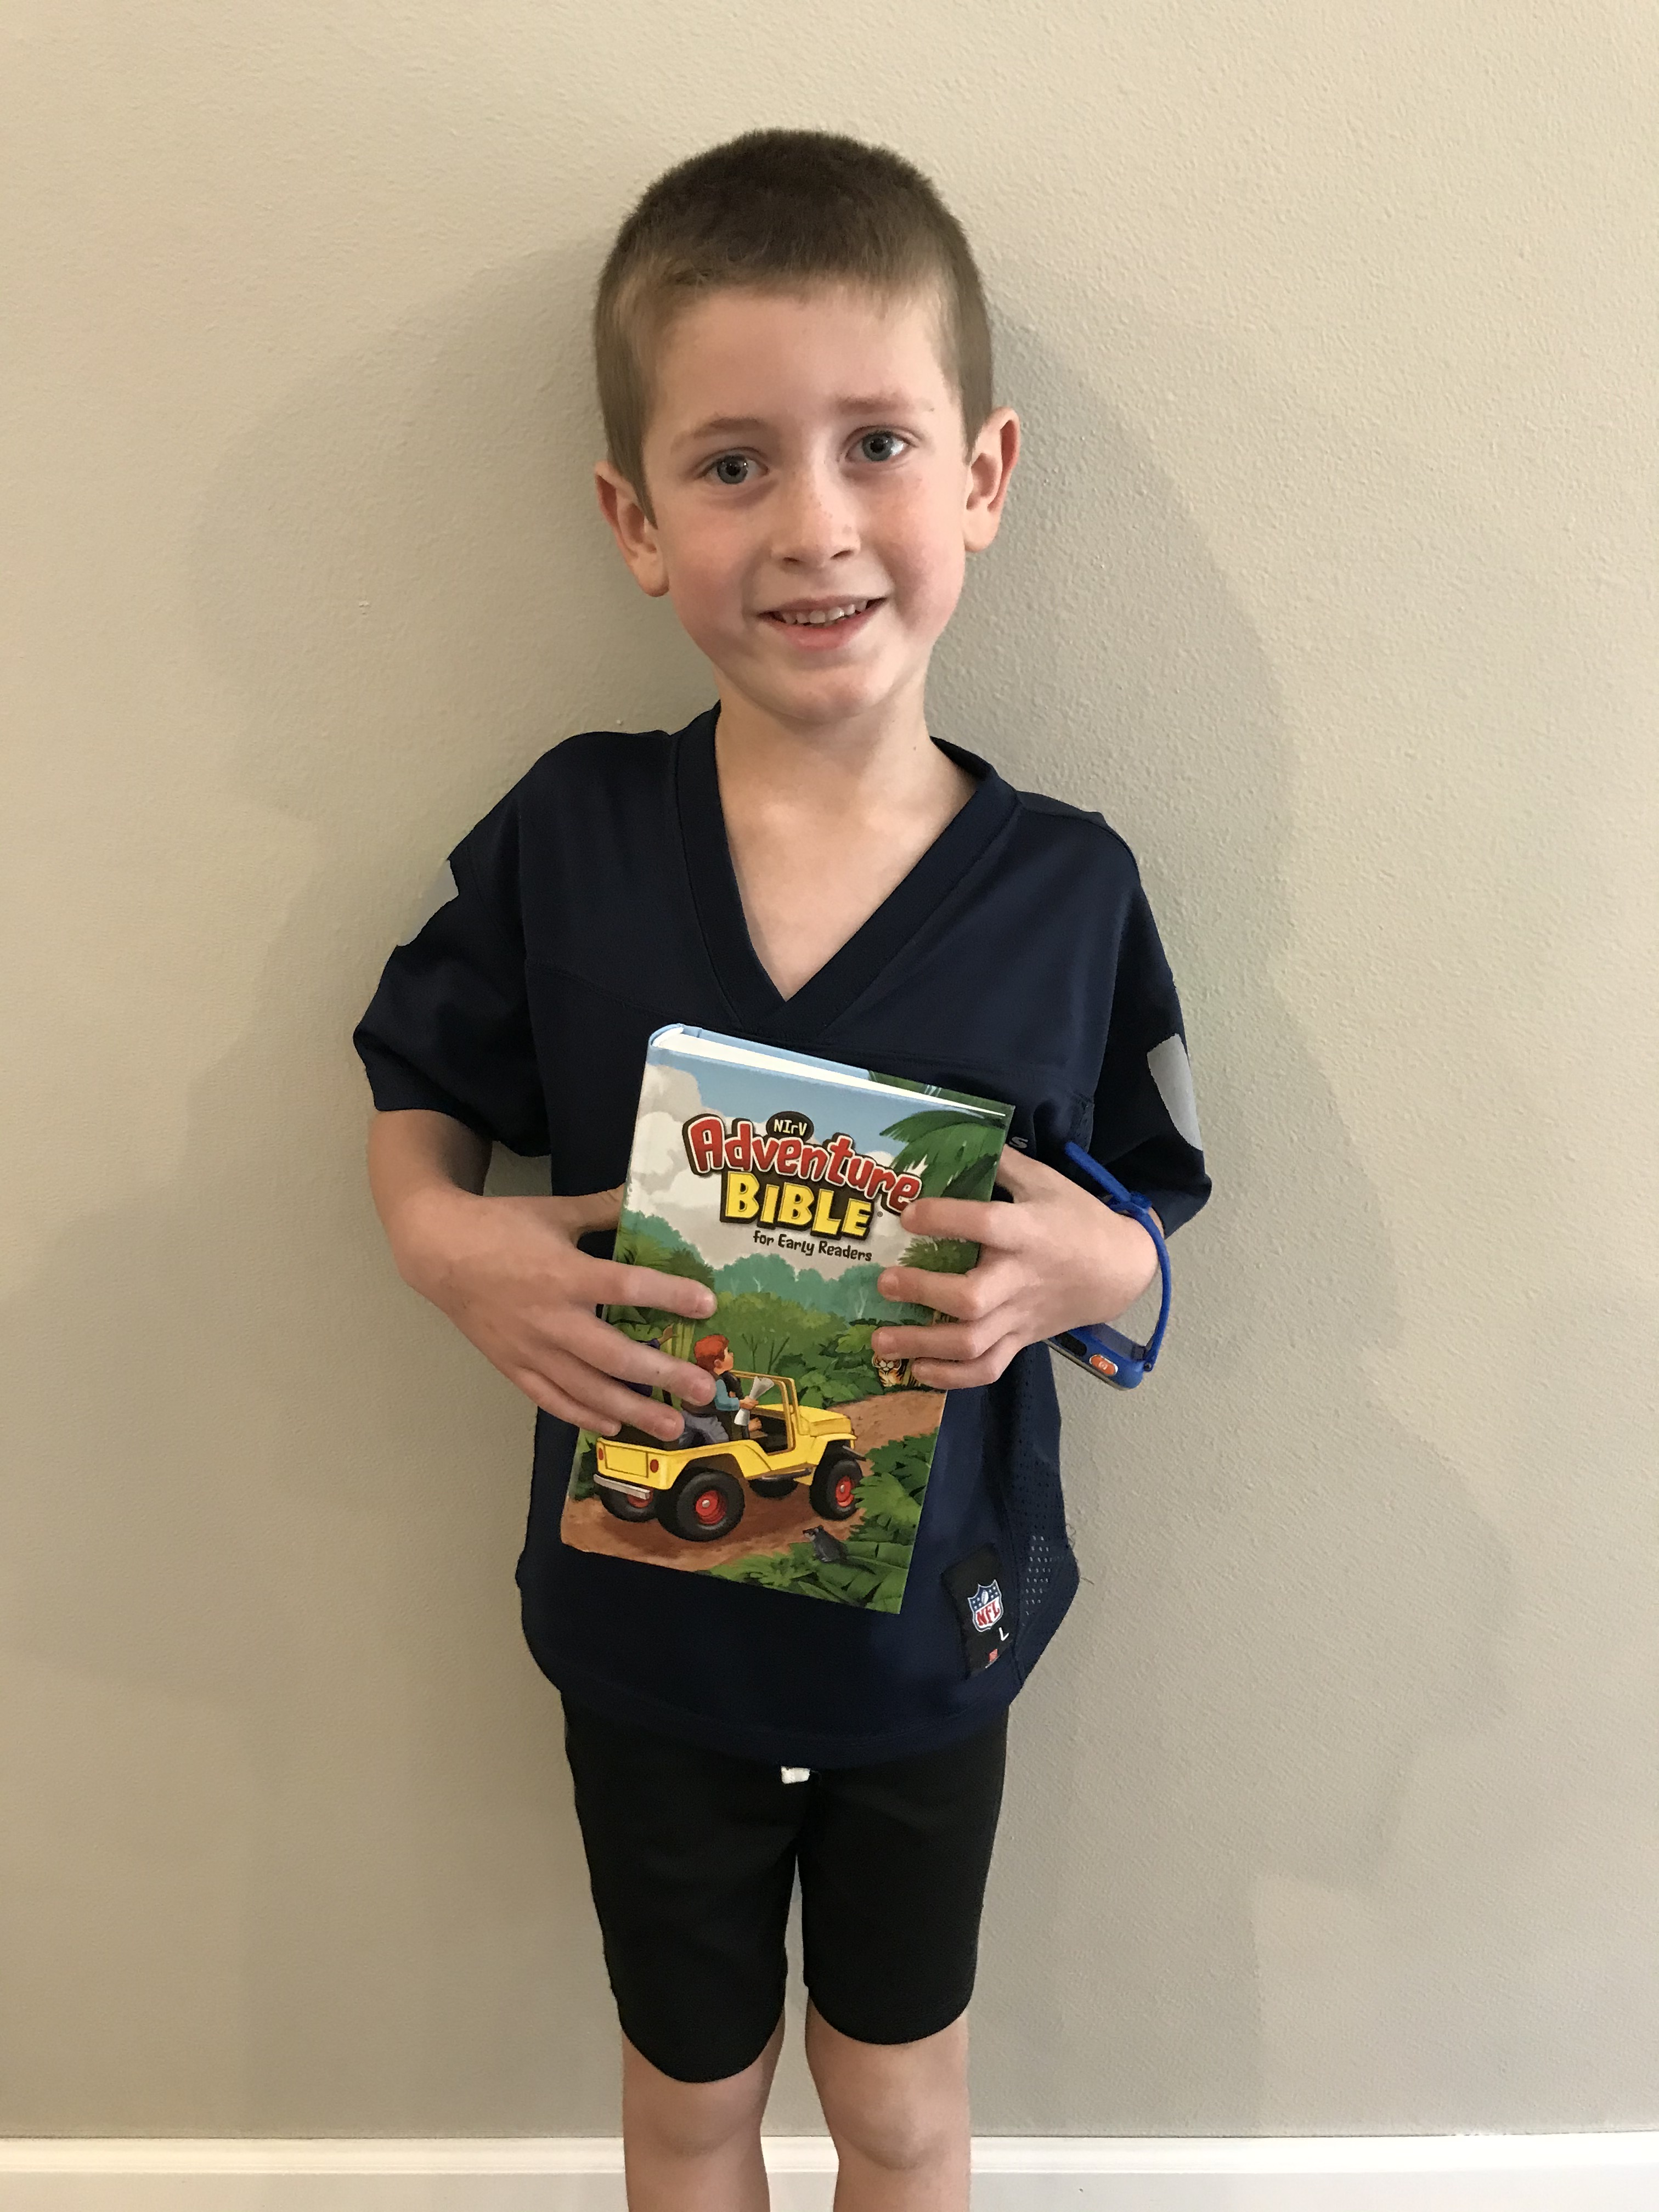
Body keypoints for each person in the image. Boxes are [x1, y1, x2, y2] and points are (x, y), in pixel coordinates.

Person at [354, 128, 1210, 2212]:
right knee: (688, 2108)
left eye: (878, 446)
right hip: (646, 1636)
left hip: (934, 1642)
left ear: (983, 476)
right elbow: (417, 1082)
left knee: (901, 2108)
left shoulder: (1068, 889)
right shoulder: (572, 837)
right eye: (734, 464)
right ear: (636, 523)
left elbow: (1144, 1215)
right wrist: (443, 1243)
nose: (816, 524)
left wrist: (1092, 1281)